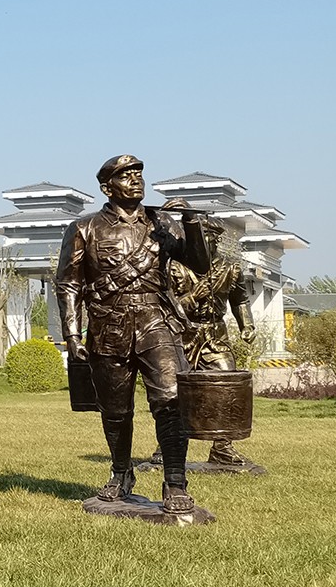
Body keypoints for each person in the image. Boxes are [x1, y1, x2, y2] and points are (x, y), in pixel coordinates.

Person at [55, 155, 207, 510]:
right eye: (125, 175)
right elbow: (69, 284)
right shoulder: (85, 228)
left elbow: (199, 264)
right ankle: (121, 473)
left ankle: (175, 482)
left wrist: (193, 221)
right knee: (116, 410)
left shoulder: (163, 222)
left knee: (171, 400)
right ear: (108, 187)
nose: (136, 179)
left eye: (138, 173)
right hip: (109, 326)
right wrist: (73, 335)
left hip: (157, 322)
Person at [167, 214, 257, 469]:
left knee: (227, 384)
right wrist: (192, 296)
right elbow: (167, 304)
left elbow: (240, 300)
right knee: (173, 392)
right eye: (199, 239)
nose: (205, 244)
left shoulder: (230, 268)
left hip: (215, 335)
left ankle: (222, 447)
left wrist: (246, 325)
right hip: (183, 333)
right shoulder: (175, 267)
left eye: (210, 239)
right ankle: (167, 446)